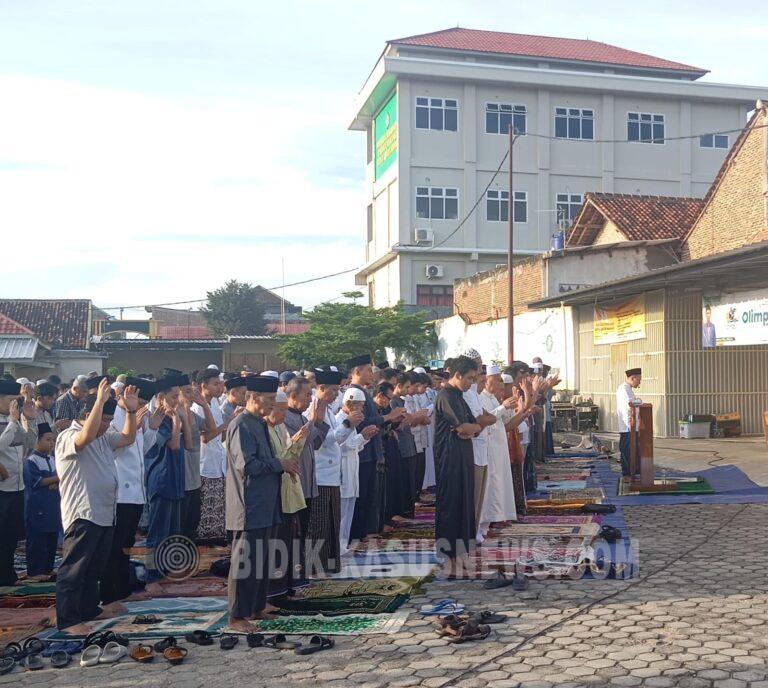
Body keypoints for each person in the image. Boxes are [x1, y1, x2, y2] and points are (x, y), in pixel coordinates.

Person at [55, 379, 139, 629]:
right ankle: (68, 620)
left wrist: (132, 413)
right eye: (103, 419)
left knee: (94, 569)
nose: (106, 425)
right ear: (88, 414)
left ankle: (88, 609)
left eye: (108, 420)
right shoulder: (68, 436)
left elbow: (128, 438)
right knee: (74, 571)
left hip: (104, 513)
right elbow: (85, 437)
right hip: (83, 512)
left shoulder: (105, 436)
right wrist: (100, 402)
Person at [226, 375, 299, 632]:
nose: (271, 406)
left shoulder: (259, 423)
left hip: (267, 502)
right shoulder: (241, 425)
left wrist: (283, 463)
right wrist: (280, 464)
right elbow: (247, 465)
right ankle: (236, 617)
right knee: (245, 560)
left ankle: (256, 608)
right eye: (268, 401)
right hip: (249, 504)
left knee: (262, 559)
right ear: (253, 397)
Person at [100, 377, 162, 603]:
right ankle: (109, 595)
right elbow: (115, 447)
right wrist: (132, 423)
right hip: (119, 492)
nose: (142, 405)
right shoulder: (114, 416)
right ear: (127, 395)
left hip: (135, 491)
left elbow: (142, 449)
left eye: (144, 401)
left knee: (127, 545)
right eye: (139, 399)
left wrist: (152, 429)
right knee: (114, 547)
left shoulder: (136, 415)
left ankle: (123, 591)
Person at [346, 354, 405, 542]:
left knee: (372, 495)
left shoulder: (363, 392)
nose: (373, 374)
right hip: (363, 452)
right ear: (357, 372)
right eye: (369, 370)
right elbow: (360, 422)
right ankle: (360, 534)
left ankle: (369, 530)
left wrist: (391, 419)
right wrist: (388, 417)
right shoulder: (354, 393)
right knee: (364, 496)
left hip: (373, 450)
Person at [433, 356, 482, 577]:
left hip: (464, 457)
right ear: (458, 374)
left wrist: (470, 428)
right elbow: (463, 428)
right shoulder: (445, 396)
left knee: (465, 506)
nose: (471, 383)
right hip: (449, 459)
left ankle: (462, 554)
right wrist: (469, 428)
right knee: (450, 507)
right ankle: (448, 558)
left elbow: (476, 426)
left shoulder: (460, 397)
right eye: (470, 378)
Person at [304, 368, 351, 575]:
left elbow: (336, 439)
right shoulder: (312, 409)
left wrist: (349, 428)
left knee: (331, 522)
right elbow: (318, 441)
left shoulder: (329, 410)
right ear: (320, 388)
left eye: (338, 389)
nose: (336, 394)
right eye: (332, 390)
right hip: (319, 474)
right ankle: (314, 566)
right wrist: (347, 425)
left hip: (332, 475)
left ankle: (329, 564)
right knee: (318, 524)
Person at [477, 366, 531, 541]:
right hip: (489, 449)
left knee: (499, 485)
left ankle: (493, 521)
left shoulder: (493, 399)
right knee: (490, 486)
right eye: (498, 379)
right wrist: (503, 406)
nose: (501, 383)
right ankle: (484, 525)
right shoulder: (481, 398)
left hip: (499, 449)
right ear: (487, 380)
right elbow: (486, 419)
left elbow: (507, 424)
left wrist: (523, 411)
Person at [266, 390, 310, 597]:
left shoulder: (279, 427)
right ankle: (277, 589)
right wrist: (293, 445)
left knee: (292, 539)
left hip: (289, 491)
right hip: (276, 494)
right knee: (278, 544)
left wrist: (298, 440)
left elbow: (287, 455)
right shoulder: (264, 430)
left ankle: (292, 583)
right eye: (281, 411)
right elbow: (277, 461)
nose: (285, 415)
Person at [283, 375, 329, 574]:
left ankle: (301, 567)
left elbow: (316, 444)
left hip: (308, 482)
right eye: (307, 394)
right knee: (295, 530)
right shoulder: (284, 417)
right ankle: (294, 569)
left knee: (305, 529)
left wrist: (317, 421)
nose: (311, 399)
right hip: (295, 482)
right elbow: (300, 443)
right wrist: (313, 421)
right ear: (293, 395)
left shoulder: (301, 417)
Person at [145, 376, 192, 566]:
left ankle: (167, 568)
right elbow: (173, 445)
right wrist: (175, 419)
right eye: (173, 397)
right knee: (158, 531)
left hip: (175, 478)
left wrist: (183, 419)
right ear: (160, 398)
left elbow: (188, 445)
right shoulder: (157, 420)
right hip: (161, 479)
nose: (176, 401)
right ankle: (152, 574)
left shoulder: (173, 418)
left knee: (173, 531)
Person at [0, 382, 38, 585]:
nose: (14, 404)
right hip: (2, 487)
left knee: (12, 533)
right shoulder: (9, 422)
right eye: (10, 400)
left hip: (17, 485)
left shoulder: (13, 420)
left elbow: (30, 445)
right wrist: (14, 423)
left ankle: (7, 573)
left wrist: (29, 422)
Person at [460, 351, 500, 527]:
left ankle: (476, 530)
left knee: (481, 495)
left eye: (480, 364)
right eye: (475, 364)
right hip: (472, 447)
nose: (478, 369)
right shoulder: (466, 393)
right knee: (472, 495)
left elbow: (485, 416)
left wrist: (489, 418)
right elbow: (475, 421)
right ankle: (470, 533)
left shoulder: (475, 392)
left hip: (482, 447)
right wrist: (488, 420)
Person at [193, 369, 233, 541]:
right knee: (206, 512)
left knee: (217, 511)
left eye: (220, 383)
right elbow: (206, 438)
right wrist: (227, 424)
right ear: (204, 386)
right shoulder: (197, 408)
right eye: (215, 384)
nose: (220, 387)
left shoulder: (215, 403)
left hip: (218, 462)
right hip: (205, 465)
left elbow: (219, 436)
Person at [23, 422, 60, 581]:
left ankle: (47, 568)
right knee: (37, 539)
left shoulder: (53, 459)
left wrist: (53, 481)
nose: (51, 443)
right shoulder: (31, 460)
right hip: (37, 505)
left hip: (52, 505)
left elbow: (52, 481)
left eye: (53, 440)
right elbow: (36, 482)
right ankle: (35, 571)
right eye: (47, 440)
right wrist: (56, 479)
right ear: (37, 440)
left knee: (51, 537)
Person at [335, 388, 366, 555]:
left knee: (349, 511)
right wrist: (363, 436)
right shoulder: (340, 420)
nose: (361, 410)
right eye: (359, 406)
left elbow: (355, 448)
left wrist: (365, 438)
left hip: (352, 469)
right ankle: (338, 547)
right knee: (341, 513)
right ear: (348, 404)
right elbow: (344, 445)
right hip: (342, 471)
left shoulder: (351, 422)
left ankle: (343, 545)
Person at [391, 373, 419, 517]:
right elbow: (397, 423)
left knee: (411, 482)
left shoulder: (401, 401)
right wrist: (409, 419)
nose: (408, 390)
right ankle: (405, 512)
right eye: (406, 387)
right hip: (402, 446)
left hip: (409, 444)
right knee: (405, 482)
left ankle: (409, 510)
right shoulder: (393, 402)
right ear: (398, 386)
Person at [617, 368, 643, 477]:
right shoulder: (624, 389)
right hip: (628, 427)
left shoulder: (628, 389)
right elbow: (631, 403)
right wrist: (640, 401)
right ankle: (628, 474)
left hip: (632, 426)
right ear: (633, 378)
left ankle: (634, 473)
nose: (640, 382)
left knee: (634, 451)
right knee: (628, 452)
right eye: (639, 380)